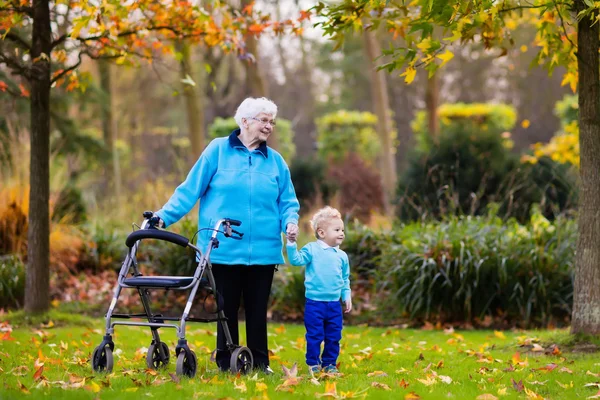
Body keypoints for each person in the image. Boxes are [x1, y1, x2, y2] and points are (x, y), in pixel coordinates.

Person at [152, 97, 300, 374]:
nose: (269, 126)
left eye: (272, 121)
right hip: (222, 246)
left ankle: (259, 363)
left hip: (264, 250)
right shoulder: (217, 151)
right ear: (245, 121)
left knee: (257, 310)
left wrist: (290, 221)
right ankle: (226, 361)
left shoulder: (276, 162)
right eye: (263, 120)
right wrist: (163, 216)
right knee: (226, 309)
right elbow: (189, 190)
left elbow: (288, 201)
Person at [286, 206, 352, 375]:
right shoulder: (312, 249)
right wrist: (291, 244)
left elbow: (345, 278)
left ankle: (329, 364)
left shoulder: (342, 256)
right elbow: (296, 260)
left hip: (334, 305)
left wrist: (346, 295)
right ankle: (313, 363)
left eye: (342, 230)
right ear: (322, 233)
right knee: (315, 335)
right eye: (337, 230)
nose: (341, 233)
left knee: (334, 336)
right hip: (315, 304)